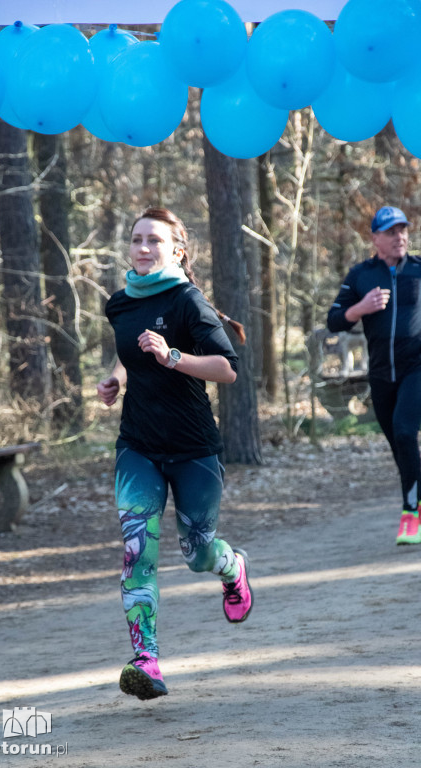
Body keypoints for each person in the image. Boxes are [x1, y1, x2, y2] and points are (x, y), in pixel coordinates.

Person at [97, 206, 254, 701]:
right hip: (138, 444)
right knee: (137, 551)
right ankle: (147, 660)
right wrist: (117, 380)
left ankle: (231, 567)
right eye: (136, 238)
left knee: (196, 552)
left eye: (155, 240)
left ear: (177, 250)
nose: (143, 247)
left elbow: (227, 369)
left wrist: (173, 356)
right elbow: (129, 355)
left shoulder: (188, 300)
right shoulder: (119, 303)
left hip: (193, 448)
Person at [327, 205, 421, 545]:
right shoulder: (360, 275)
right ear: (375, 238)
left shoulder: (419, 270)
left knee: (406, 430)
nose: (400, 237)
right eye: (391, 232)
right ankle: (416, 495)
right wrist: (360, 308)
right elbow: (334, 320)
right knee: (399, 444)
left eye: (403, 230)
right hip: (381, 374)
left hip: (417, 367)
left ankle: (411, 512)